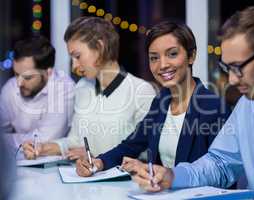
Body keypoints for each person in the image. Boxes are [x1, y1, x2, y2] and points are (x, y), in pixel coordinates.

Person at [125, 6, 254, 200]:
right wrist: (171, 176)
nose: (232, 80)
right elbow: (220, 163)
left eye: (238, 67)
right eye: (227, 68)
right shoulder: (247, 105)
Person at [75, 21, 231, 178]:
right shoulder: (161, 102)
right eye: (154, 58)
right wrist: (99, 162)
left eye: (172, 54)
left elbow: (222, 173)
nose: (162, 65)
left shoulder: (213, 107)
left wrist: (167, 177)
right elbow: (132, 145)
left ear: (191, 56)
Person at [22, 17, 156, 160]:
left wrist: (95, 158)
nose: (74, 67)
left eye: (77, 56)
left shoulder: (141, 91)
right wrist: (42, 148)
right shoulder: (82, 87)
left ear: (99, 48)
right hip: (84, 179)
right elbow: (75, 141)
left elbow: (145, 152)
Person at [0, 35, 75, 151]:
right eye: (16, 74)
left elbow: (47, 139)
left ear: (48, 72)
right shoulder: (10, 87)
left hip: (53, 164)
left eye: (27, 77)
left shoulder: (65, 88)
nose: (19, 83)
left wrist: (8, 140)